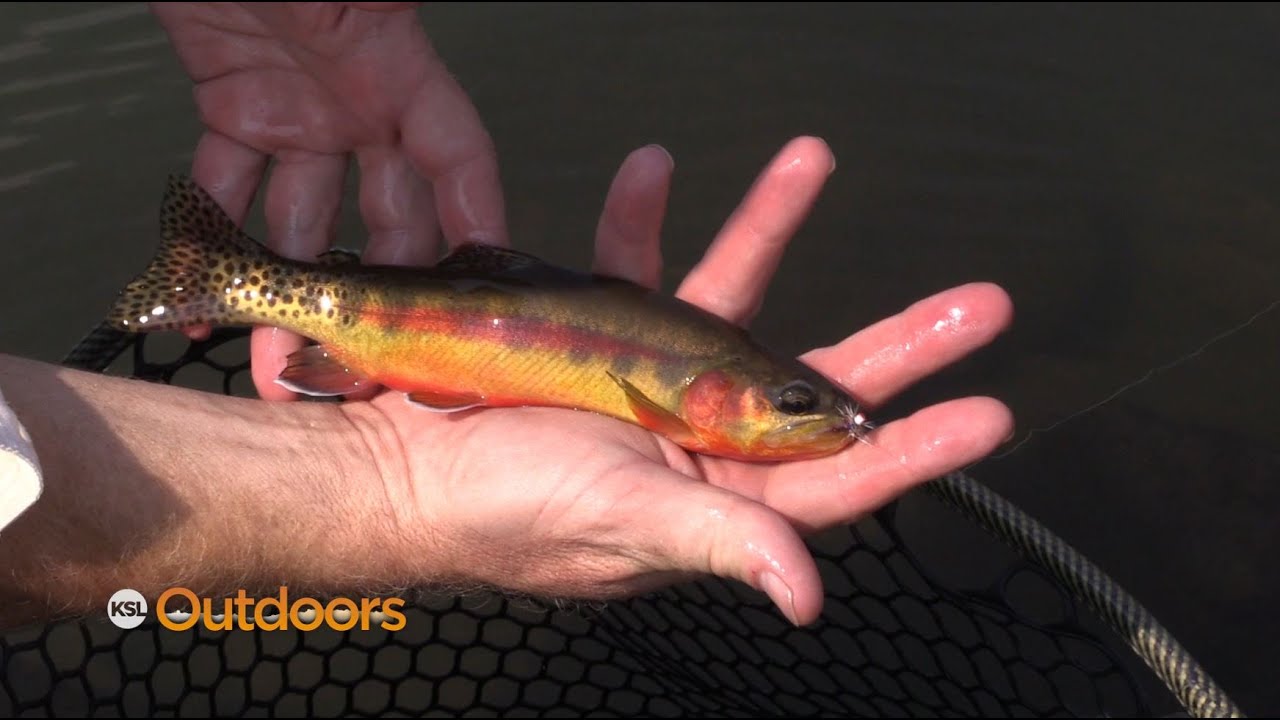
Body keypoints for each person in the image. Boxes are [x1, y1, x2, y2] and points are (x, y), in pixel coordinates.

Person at [0, 3, 1013, 630]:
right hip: (396, 321)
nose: (807, 416)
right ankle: (233, 276)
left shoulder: (694, 388)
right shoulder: (686, 391)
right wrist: (375, 490)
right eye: (791, 404)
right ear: (715, 396)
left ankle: (232, 276)